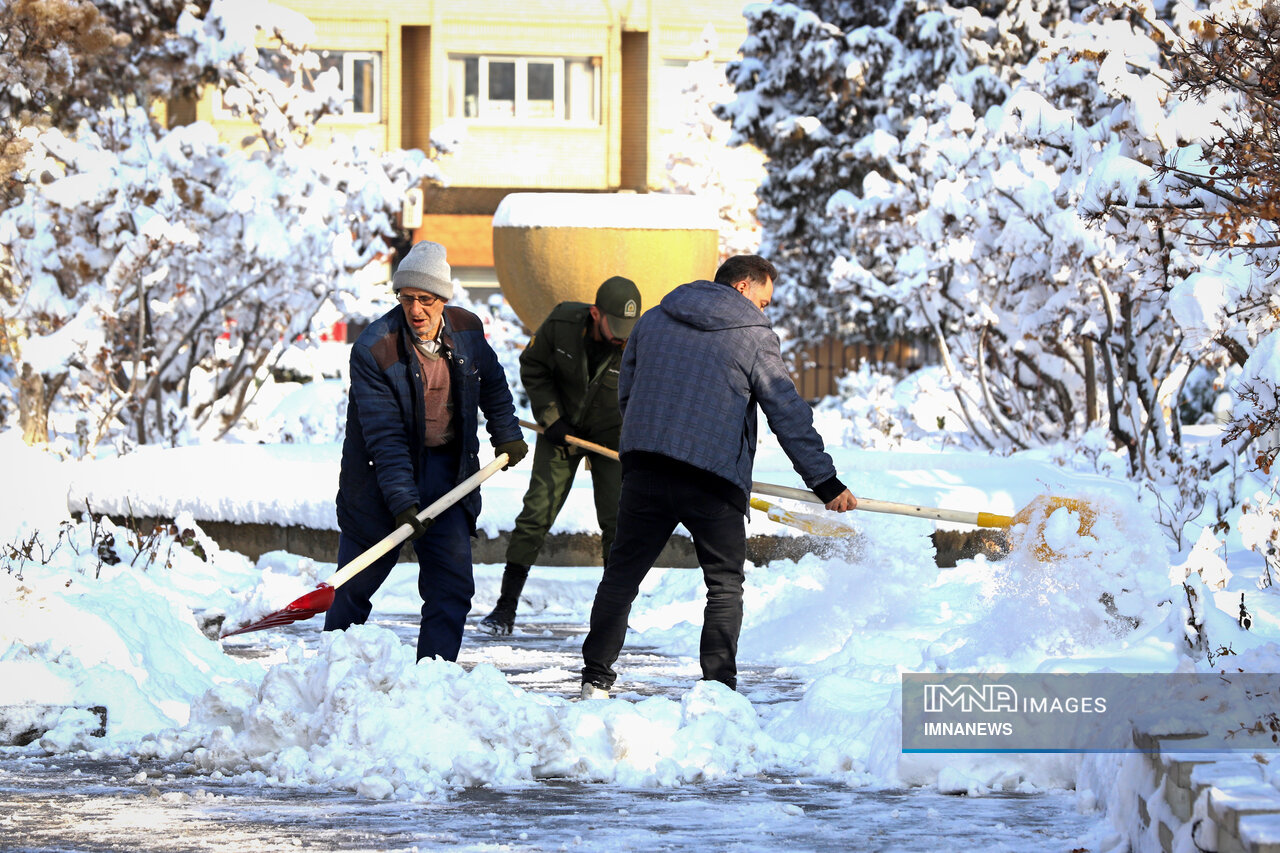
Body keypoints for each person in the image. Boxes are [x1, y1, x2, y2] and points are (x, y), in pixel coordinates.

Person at [579, 255, 857, 699]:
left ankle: (595, 677)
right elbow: (785, 409)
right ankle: (718, 690)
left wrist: (642, 449)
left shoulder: (653, 319)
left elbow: (627, 391)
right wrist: (824, 482)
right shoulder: (753, 335)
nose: (764, 311)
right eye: (764, 301)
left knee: (621, 576)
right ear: (744, 286)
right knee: (724, 585)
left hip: (646, 469)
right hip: (712, 479)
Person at [325, 240, 529, 662]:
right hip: (378, 478)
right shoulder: (374, 349)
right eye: (407, 298)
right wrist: (402, 502)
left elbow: (490, 380)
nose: (416, 310)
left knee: (451, 587)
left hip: (448, 472)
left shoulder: (467, 330)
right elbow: (385, 437)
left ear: (443, 299)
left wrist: (505, 431)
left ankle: (433, 680)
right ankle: (331, 675)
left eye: (426, 299)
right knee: (355, 586)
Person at [479, 276, 642, 635]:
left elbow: (650, 397)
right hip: (561, 430)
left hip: (612, 435)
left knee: (618, 523)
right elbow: (533, 366)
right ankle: (505, 607)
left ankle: (615, 615)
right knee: (536, 514)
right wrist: (551, 416)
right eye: (615, 328)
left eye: (627, 329)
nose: (621, 337)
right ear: (595, 313)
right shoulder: (563, 323)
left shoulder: (639, 341)